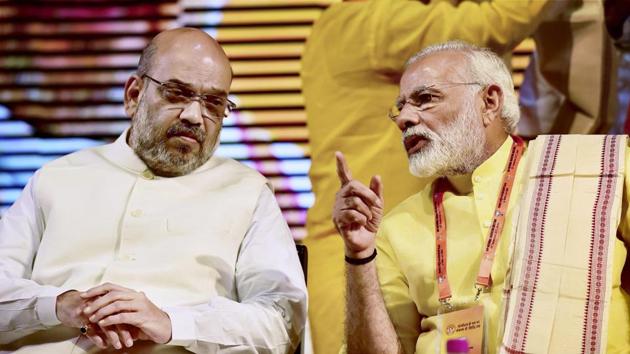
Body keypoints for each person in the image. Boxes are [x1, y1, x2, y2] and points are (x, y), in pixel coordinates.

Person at [0, 28, 307, 354]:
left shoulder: (248, 192)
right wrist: (57, 306)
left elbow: (281, 321)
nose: (194, 117)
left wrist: (171, 323)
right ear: (134, 95)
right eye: (176, 93)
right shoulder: (56, 178)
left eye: (213, 103)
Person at [333, 41, 630, 354]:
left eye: (425, 99)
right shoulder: (395, 228)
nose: (405, 119)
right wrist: (359, 255)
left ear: (489, 102)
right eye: (401, 107)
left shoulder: (595, 170)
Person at [301, 0, 557, 351]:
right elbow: (494, 23)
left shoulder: (341, 22)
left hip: (406, 238)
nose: (407, 118)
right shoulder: (372, 20)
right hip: (362, 252)